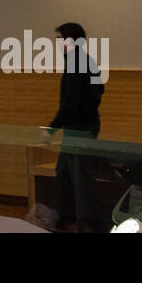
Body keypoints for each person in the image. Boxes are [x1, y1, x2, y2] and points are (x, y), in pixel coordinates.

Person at [35, 22, 107, 232]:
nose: (57, 44)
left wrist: (51, 128)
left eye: (60, 40)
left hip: (79, 130)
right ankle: (61, 219)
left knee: (80, 179)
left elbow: (69, 102)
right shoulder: (86, 61)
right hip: (84, 127)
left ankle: (94, 225)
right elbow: (97, 91)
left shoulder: (77, 64)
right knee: (65, 174)